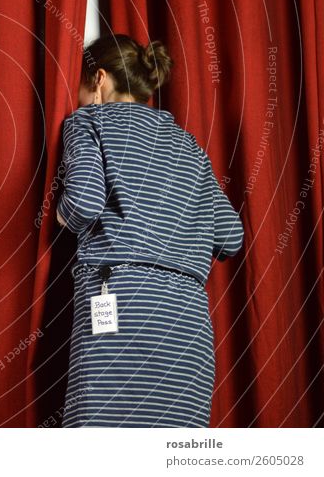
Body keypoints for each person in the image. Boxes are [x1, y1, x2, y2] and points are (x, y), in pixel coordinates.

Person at [56, 33, 244, 427]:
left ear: (99, 79)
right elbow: (231, 235)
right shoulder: (188, 144)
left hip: (122, 307)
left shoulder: (89, 121)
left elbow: (83, 204)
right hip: (187, 323)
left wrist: (62, 215)